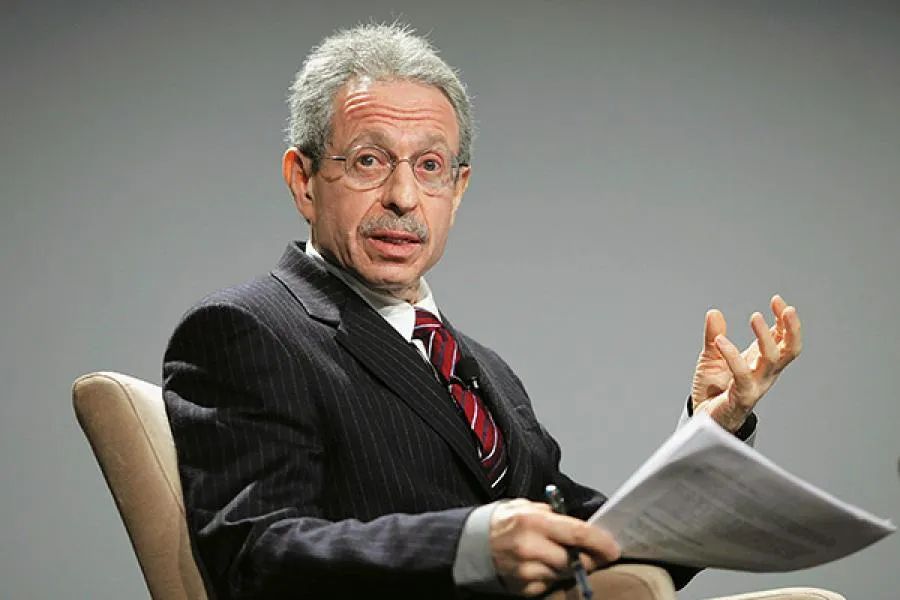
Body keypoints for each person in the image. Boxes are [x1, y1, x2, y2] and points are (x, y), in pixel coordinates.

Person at [163, 23, 802, 600]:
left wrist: (710, 432)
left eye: (430, 166)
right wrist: (471, 545)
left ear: (458, 188)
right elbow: (255, 557)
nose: (403, 196)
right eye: (368, 161)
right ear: (303, 181)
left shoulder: (484, 370)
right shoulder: (246, 330)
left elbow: (608, 547)